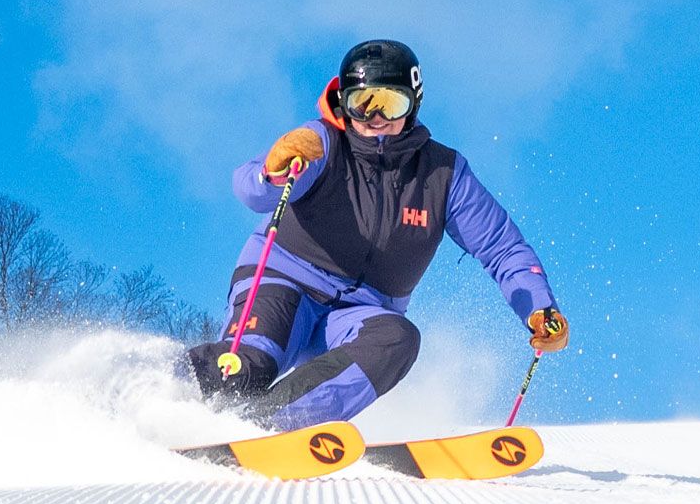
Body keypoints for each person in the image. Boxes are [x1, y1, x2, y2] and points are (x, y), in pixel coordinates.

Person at [186, 39, 568, 429]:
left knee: (397, 338)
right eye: (361, 103)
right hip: (284, 283)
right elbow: (254, 191)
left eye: (390, 102)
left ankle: (269, 426)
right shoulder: (321, 142)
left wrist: (539, 307)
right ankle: (164, 395)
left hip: (360, 314)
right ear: (344, 102)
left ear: (414, 104)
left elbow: (502, 247)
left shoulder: (443, 174)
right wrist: (274, 168)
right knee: (249, 367)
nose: (375, 117)